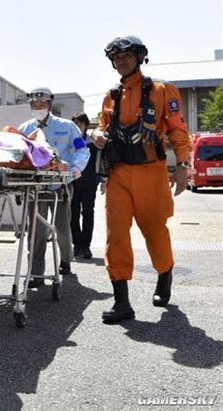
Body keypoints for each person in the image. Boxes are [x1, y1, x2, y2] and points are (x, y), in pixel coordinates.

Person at [92, 36, 190, 323]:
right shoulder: (111, 96)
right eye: (116, 58)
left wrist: (182, 164)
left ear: (139, 57)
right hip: (119, 172)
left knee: (154, 230)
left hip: (152, 171)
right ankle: (122, 302)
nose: (120, 61)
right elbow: (102, 127)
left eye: (126, 56)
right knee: (116, 235)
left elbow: (177, 130)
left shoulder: (162, 90)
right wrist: (97, 135)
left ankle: (164, 273)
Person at [18, 87, 90, 286]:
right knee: (36, 231)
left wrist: (76, 167)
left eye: (42, 104)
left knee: (62, 228)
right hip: (36, 188)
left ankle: (65, 261)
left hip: (61, 186)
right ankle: (36, 272)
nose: (38, 107)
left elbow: (81, 150)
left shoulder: (67, 126)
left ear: (49, 104)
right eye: (34, 104)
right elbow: (18, 156)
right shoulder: (24, 129)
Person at [70, 112, 105, 260]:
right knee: (73, 215)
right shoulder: (70, 141)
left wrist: (103, 180)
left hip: (89, 183)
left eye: (81, 124)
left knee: (88, 214)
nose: (78, 126)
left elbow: (101, 161)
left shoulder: (93, 142)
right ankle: (77, 245)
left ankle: (86, 246)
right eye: (76, 124)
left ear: (85, 125)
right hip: (72, 182)